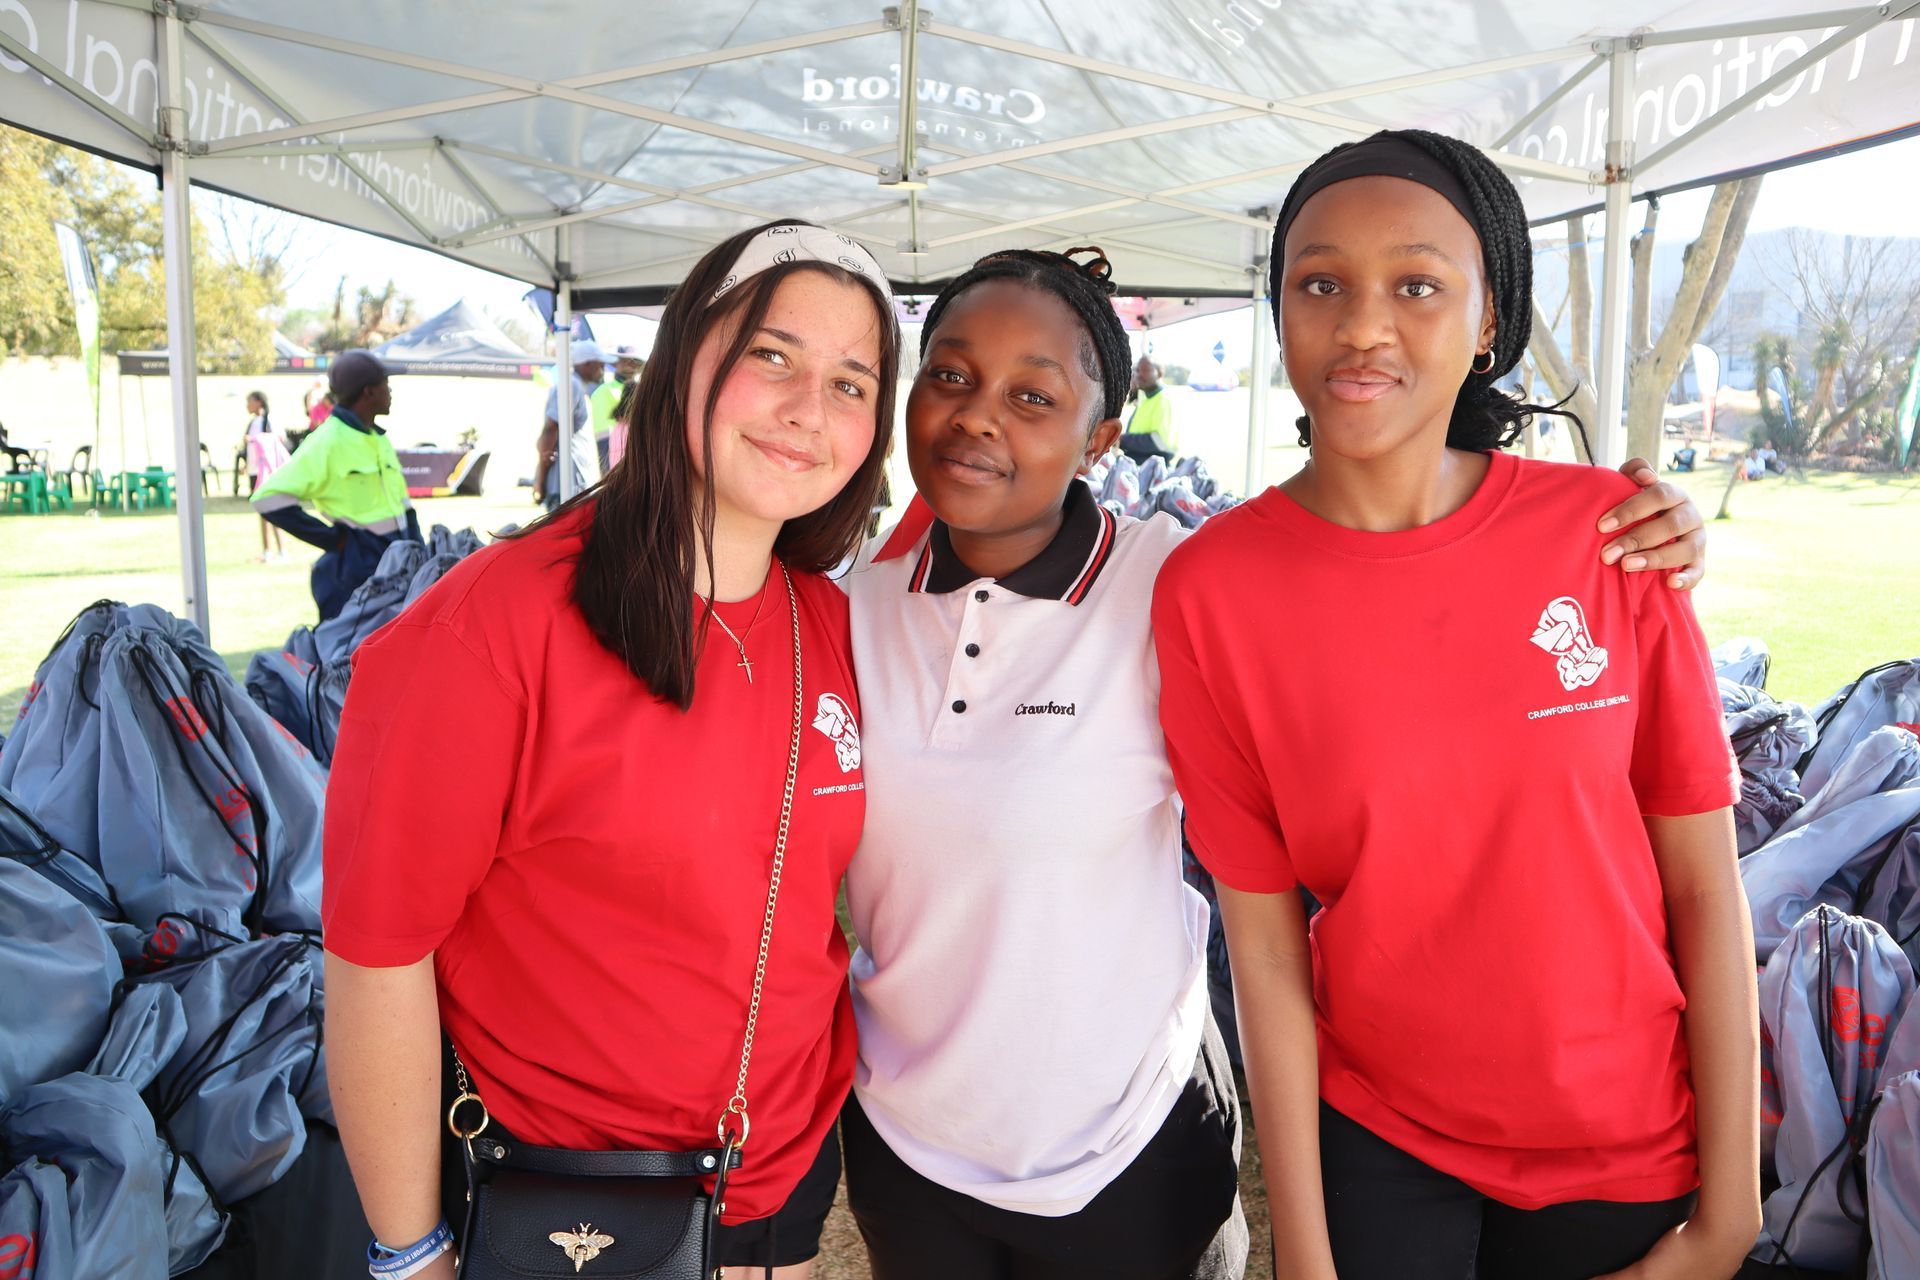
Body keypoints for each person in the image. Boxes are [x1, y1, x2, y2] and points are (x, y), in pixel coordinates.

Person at [837, 238, 1714, 1279]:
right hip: (904, 1140)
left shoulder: (1174, 581)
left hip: (1121, 1151)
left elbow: (1348, 571)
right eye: (950, 374)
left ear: (1101, 434)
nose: (979, 413)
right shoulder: (844, 608)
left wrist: (1657, 531)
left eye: (1035, 396)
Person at [1152, 130, 1760, 1280]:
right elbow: (1265, 947)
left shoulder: (1611, 538)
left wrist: (1730, 1214)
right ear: (1279, 311)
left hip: (1620, 1139)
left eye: (1418, 285)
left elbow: (1703, 880)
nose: (1363, 324)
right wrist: (1305, 1252)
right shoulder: (1212, 591)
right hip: (1380, 1131)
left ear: (1490, 321)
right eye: (1319, 282)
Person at [320, 220, 900, 1280]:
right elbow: (375, 954)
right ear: (686, 356)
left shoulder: (836, 623)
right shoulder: (493, 624)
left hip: (777, 1197)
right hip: (569, 1206)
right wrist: (411, 1253)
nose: (809, 409)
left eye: (853, 382)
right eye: (771, 354)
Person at [252, 349, 421, 621]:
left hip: (401, 569)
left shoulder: (377, 438)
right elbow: (267, 498)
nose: (391, 392)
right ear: (368, 392)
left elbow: (402, 505)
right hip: (359, 575)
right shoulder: (327, 441)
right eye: (385, 384)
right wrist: (335, 540)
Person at [535, 340, 607, 508]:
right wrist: (540, 478)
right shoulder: (571, 385)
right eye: (600, 363)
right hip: (568, 482)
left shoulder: (575, 385)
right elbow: (550, 428)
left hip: (573, 481)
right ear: (587, 364)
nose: (603, 367)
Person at [242, 390, 290, 562]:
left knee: (273, 511)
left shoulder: (270, 420)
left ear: (259, 402)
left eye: (250, 401)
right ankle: (267, 551)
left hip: (268, 473)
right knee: (262, 513)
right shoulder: (253, 422)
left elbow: (278, 440)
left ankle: (282, 551)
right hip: (255, 471)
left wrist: (255, 440)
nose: (247, 405)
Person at [1121, 354, 1176, 462]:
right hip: (1138, 459)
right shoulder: (1145, 396)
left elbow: (1157, 442)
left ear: (1160, 373)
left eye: (1146, 370)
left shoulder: (1164, 399)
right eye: (1137, 370)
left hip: (1152, 465)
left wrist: (1123, 440)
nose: (1139, 374)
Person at [607, 344, 646, 469]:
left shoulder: (620, 428)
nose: (629, 365)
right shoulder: (604, 390)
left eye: (633, 362)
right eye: (624, 361)